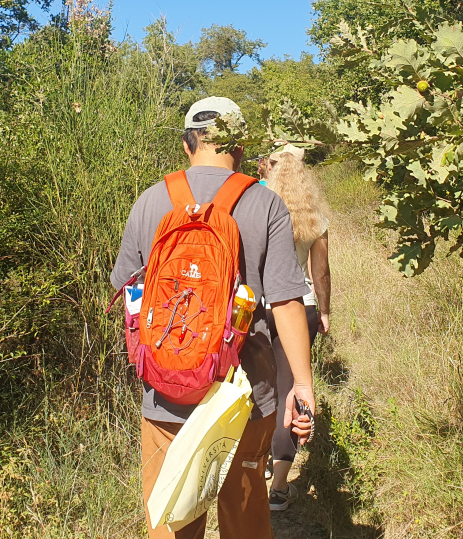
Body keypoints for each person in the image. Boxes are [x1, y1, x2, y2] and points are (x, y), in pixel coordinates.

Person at [110, 96, 316, 539]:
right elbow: (285, 301)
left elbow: (125, 288)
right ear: (239, 149)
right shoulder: (265, 204)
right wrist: (301, 384)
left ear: (187, 145)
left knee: (173, 520)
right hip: (243, 397)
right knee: (245, 524)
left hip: (166, 394)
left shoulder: (151, 201)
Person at [262, 143, 331, 512]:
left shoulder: (257, 207)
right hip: (300, 306)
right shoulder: (314, 216)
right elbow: (319, 272)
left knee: (260, 390)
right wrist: (325, 309)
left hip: (260, 308)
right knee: (291, 388)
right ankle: (280, 485)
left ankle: (252, 468)